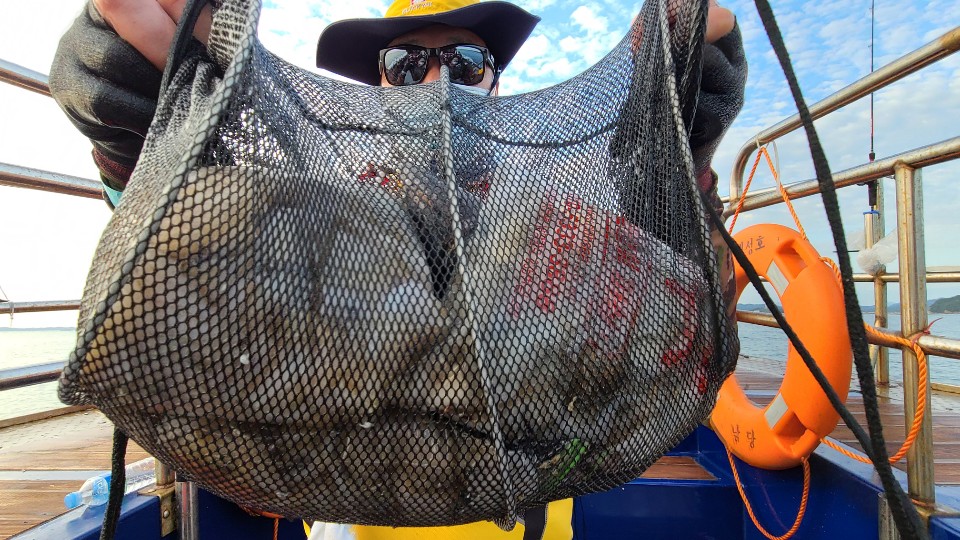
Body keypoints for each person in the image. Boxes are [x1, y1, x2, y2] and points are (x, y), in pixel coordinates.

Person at [49, 0, 745, 538]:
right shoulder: (317, 210)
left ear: (496, 83)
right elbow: (187, 249)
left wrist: (676, 161)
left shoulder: (563, 219)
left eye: (466, 62)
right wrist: (135, 124)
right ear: (375, 87)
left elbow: (683, 303)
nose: (439, 85)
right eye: (408, 65)